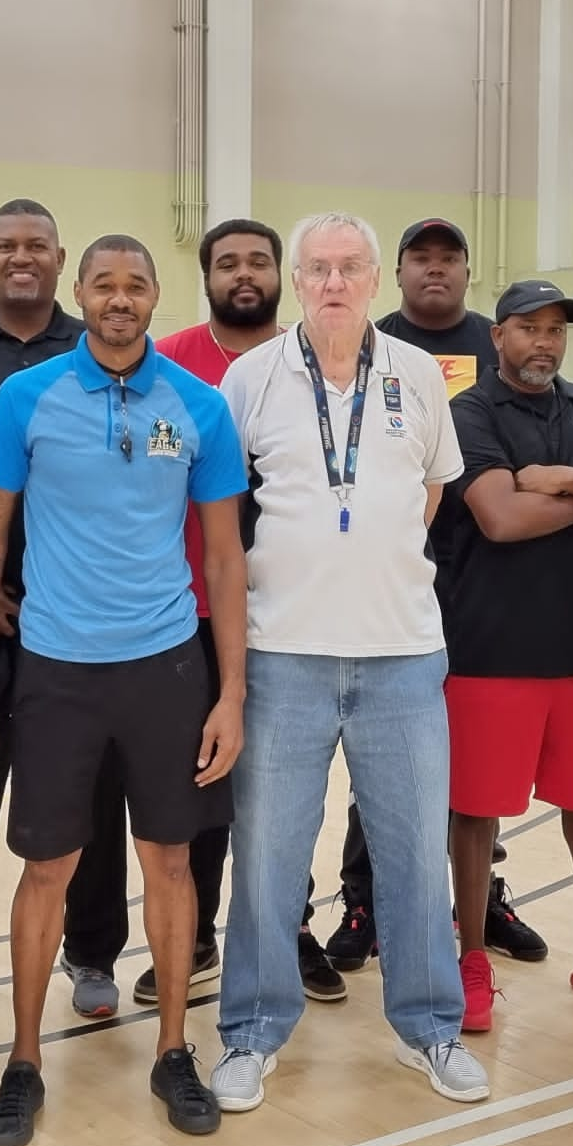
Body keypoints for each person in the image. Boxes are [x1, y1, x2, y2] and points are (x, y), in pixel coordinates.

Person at [0, 233, 248, 1146]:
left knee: (169, 862)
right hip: (55, 672)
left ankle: (171, 1052)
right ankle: (24, 1063)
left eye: (136, 286)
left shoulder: (199, 405)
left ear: (158, 297)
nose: (120, 300)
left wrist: (230, 692)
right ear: (81, 294)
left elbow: (227, 557)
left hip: (166, 669)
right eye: (104, 286)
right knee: (48, 869)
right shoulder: (25, 396)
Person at [211, 211, 488, 1114]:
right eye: (317, 269)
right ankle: (250, 1033)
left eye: (350, 268)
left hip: (403, 655)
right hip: (282, 652)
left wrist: (368, 551)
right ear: (297, 283)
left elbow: (435, 488)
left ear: (376, 280)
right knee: (268, 858)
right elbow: (226, 501)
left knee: (414, 855)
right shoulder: (250, 377)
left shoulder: (416, 374)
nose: (334, 283)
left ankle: (431, 1028)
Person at [0, 199, 132, 1028]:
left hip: (75, 623)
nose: (21, 257)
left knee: (93, 794)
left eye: (36, 246)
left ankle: (94, 950)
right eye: (7, 245)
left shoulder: (97, 355)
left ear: (61, 262)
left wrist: (46, 590)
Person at [326, 217, 544, 973]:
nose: (435, 269)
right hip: (387, 575)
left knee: (474, 755)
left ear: (466, 269)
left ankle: (482, 895)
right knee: (377, 746)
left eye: (449, 257)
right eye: (421, 257)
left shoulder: (497, 342)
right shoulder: (369, 340)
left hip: (482, 576)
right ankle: (364, 898)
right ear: (400, 271)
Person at [442, 280, 573, 1034]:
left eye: (555, 330)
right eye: (527, 328)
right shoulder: (469, 413)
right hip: (489, 651)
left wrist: (559, 479)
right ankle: (470, 958)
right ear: (496, 337)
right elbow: (499, 518)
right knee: (474, 815)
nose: (544, 343)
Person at [152, 218, 344, 1007]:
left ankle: (287, 929)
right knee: (198, 777)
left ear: (285, 275)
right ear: (205, 277)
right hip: (192, 609)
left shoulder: (323, 360)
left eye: (258, 261)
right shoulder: (167, 363)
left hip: (296, 610)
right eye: (226, 262)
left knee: (284, 787)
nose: (243, 273)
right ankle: (193, 934)